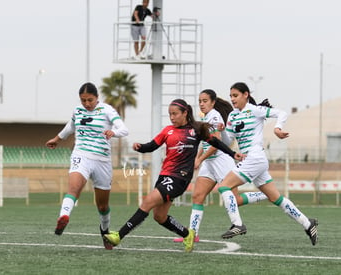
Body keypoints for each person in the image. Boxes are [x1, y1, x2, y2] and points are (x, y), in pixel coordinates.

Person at [104, 99, 243, 252]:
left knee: (147, 202)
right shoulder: (167, 130)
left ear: (185, 113)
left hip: (180, 178)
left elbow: (216, 142)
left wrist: (232, 153)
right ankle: (187, 234)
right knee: (160, 216)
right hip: (165, 176)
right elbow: (152, 146)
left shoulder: (195, 130)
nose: (172, 117)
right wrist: (140, 147)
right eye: (170, 114)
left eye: (175, 114)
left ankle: (118, 236)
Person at [218, 82, 318, 245]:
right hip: (252, 160)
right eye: (231, 96)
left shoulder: (255, 110)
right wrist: (222, 130)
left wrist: (277, 128)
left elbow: (282, 113)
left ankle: (237, 224)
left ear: (246, 95)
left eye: (235, 95)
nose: (232, 99)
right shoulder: (232, 116)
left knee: (224, 186)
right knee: (276, 198)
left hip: (254, 157)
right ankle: (308, 223)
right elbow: (228, 140)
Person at [173, 89, 267, 243]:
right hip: (209, 163)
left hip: (222, 161)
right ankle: (192, 234)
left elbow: (216, 144)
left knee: (234, 200)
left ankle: (265, 195)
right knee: (197, 196)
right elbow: (205, 143)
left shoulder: (215, 117)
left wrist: (200, 159)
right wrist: (198, 158)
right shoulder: (205, 118)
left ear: (213, 102)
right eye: (200, 101)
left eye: (205, 101)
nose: (202, 104)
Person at [46, 82, 129, 250]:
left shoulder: (107, 110)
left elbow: (124, 129)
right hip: (81, 155)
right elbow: (71, 126)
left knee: (102, 206)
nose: (86, 104)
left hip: (102, 161)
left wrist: (114, 132)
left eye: (90, 100)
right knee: (74, 188)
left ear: (97, 97)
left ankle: (105, 233)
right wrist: (57, 139)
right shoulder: (78, 111)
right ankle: (63, 217)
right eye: (83, 100)